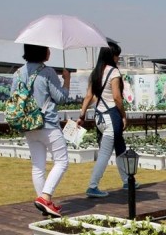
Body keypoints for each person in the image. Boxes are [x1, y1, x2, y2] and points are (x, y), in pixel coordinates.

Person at [11, 44, 71, 217]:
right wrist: (66, 80)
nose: (50, 51)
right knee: (62, 161)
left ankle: (44, 203)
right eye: (47, 48)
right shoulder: (47, 72)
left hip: (28, 124)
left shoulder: (18, 73)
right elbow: (60, 98)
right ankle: (45, 198)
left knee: (38, 166)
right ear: (41, 52)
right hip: (48, 124)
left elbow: (13, 98)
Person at [78, 40, 130, 198]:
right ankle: (92, 186)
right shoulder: (114, 73)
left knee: (120, 147)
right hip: (111, 117)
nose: (118, 59)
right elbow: (117, 98)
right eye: (116, 56)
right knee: (105, 154)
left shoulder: (95, 73)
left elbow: (88, 96)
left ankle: (128, 180)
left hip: (99, 118)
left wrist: (82, 116)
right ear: (111, 56)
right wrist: (124, 115)